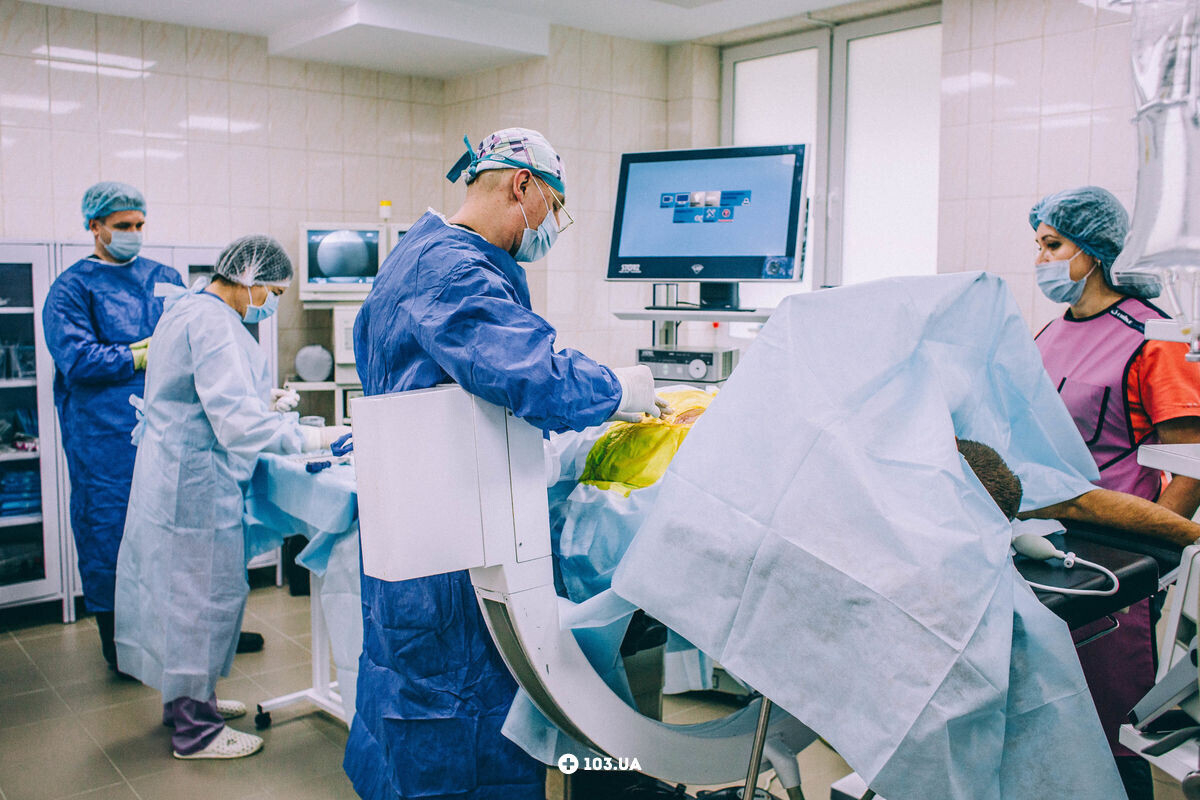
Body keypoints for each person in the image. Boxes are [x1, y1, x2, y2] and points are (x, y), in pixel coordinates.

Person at [345, 128, 666, 800]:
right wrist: (624, 388)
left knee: (409, 699)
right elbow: (532, 374)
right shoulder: (456, 271)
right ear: (523, 185)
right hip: (456, 550)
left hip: (417, 534)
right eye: (553, 207)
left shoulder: (413, 256)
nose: (550, 226)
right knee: (462, 720)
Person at [113, 235, 346, 760]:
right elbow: (237, 424)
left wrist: (261, 399)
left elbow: (201, 391)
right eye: (274, 292)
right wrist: (312, 436)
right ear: (249, 278)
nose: (272, 303)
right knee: (200, 600)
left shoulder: (190, 307)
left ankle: (188, 702)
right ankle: (196, 732)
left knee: (180, 597)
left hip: (175, 475)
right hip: (193, 486)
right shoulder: (214, 322)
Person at [1028, 185, 1200, 800]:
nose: (1041, 260)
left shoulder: (1155, 336)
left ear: (1094, 250)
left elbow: (1191, 465)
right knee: (1049, 715)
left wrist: (1150, 562)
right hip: (1047, 545)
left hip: (1117, 559)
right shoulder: (1048, 333)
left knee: (1109, 716)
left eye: (1053, 245)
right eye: (1038, 246)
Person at [42, 182, 183, 672]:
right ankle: (119, 642)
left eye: (140, 224)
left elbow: (190, 335)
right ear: (94, 226)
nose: (134, 233)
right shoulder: (71, 288)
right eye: (123, 225)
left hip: (167, 424)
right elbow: (76, 359)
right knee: (109, 527)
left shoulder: (164, 277)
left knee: (172, 526)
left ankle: (187, 634)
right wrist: (135, 354)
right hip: (102, 435)